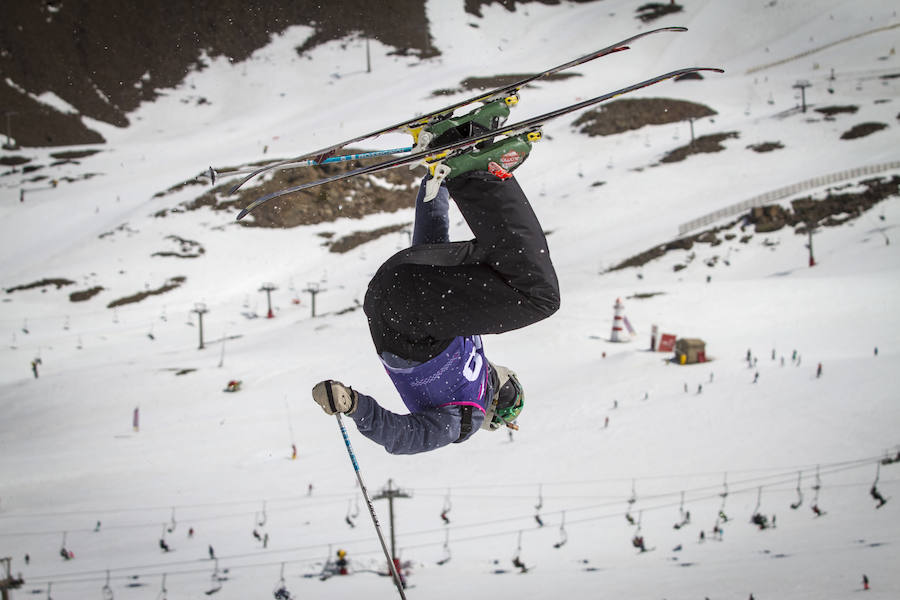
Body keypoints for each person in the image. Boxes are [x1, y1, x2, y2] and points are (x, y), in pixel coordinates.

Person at [312, 131, 560, 454]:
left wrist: (354, 405)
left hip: (403, 323)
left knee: (541, 299)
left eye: (508, 399)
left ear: (493, 419)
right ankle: (449, 160)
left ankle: (476, 171)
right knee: (459, 274)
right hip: (393, 293)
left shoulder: (464, 418)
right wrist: (436, 182)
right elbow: (433, 263)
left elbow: (403, 436)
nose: (503, 390)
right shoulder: (471, 353)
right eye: (512, 388)